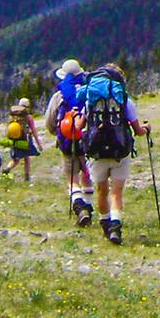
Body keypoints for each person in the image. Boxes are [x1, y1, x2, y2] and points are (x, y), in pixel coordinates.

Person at [77, 63, 150, 246]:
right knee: (116, 193)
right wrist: (147, 129)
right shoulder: (124, 100)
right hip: (120, 151)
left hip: (97, 152)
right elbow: (138, 130)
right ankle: (115, 225)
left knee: (102, 191)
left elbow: (79, 127)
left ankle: (104, 221)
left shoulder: (91, 100)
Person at [46, 58, 94, 225]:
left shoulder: (59, 96)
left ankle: (79, 207)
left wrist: (57, 133)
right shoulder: (90, 92)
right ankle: (89, 206)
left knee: (72, 177)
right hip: (88, 139)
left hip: (68, 139)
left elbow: (50, 121)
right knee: (87, 174)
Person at [3, 98, 42, 182]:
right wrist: (39, 144)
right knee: (26, 159)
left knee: (15, 159)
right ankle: (27, 177)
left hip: (14, 139)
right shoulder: (28, 117)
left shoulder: (12, 116)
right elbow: (34, 131)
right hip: (25, 139)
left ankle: (7, 168)